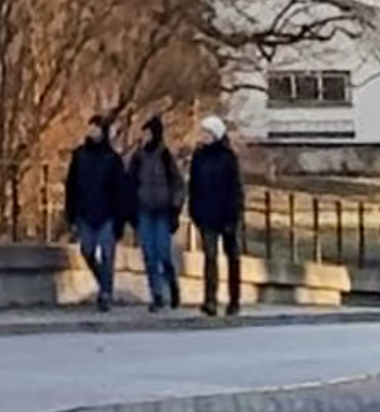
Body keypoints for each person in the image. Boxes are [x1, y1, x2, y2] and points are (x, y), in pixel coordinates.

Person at [186, 114, 247, 314]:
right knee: (210, 257)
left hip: (227, 214)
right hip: (206, 215)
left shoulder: (228, 158)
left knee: (232, 257)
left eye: (206, 132)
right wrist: (194, 211)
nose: (202, 135)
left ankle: (234, 299)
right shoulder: (199, 157)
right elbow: (193, 186)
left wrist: (234, 214)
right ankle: (210, 299)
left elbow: (235, 189)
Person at [63, 117, 127, 305]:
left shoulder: (112, 159)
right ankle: (103, 282)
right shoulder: (80, 155)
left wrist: (120, 219)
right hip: (85, 211)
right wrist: (71, 211)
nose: (92, 132)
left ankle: (106, 292)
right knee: (87, 250)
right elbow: (71, 184)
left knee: (107, 253)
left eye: (96, 129)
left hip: (107, 213)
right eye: (90, 128)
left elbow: (120, 189)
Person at [129, 114, 184, 309]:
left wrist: (175, 208)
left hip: (163, 211)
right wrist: (131, 210)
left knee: (163, 253)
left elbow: (177, 183)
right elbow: (130, 184)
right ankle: (157, 295)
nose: (144, 137)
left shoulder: (165, 156)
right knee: (149, 255)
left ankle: (171, 283)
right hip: (144, 211)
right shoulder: (137, 157)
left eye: (147, 133)